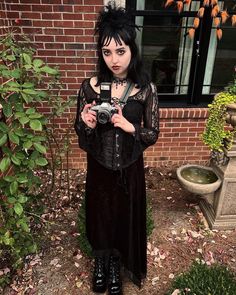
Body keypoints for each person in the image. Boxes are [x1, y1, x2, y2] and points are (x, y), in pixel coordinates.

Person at [74, 1, 159, 294]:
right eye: (107, 52)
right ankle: (101, 261)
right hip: (99, 167)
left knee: (123, 216)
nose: (114, 59)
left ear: (132, 51)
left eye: (121, 51)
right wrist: (87, 123)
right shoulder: (89, 87)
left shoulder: (146, 90)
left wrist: (131, 127)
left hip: (129, 170)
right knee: (100, 215)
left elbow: (152, 134)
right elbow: (81, 138)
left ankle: (116, 266)